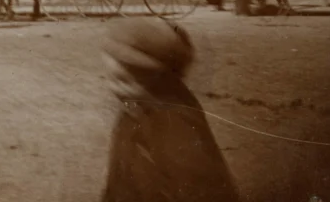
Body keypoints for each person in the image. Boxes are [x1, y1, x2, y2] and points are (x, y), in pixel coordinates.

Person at [100, 17, 240, 202]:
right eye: (111, 79)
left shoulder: (174, 122)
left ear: (159, 81)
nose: (115, 89)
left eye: (125, 80)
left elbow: (204, 190)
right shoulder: (135, 108)